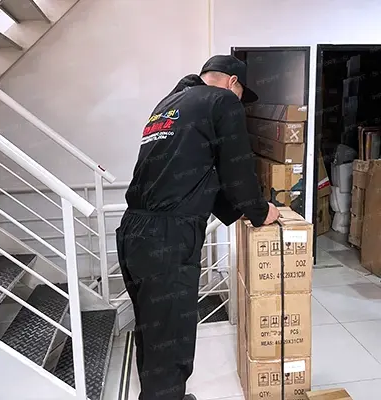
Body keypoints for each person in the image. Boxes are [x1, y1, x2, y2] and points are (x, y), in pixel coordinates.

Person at [116, 55, 280, 400]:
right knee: (171, 337)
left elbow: (202, 174)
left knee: (152, 330)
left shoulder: (169, 104)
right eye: (240, 93)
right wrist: (259, 211)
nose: (239, 101)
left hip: (133, 230)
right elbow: (236, 169)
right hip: (168, 237)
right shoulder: (222, 101)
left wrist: (238, 212)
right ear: (232, 82)